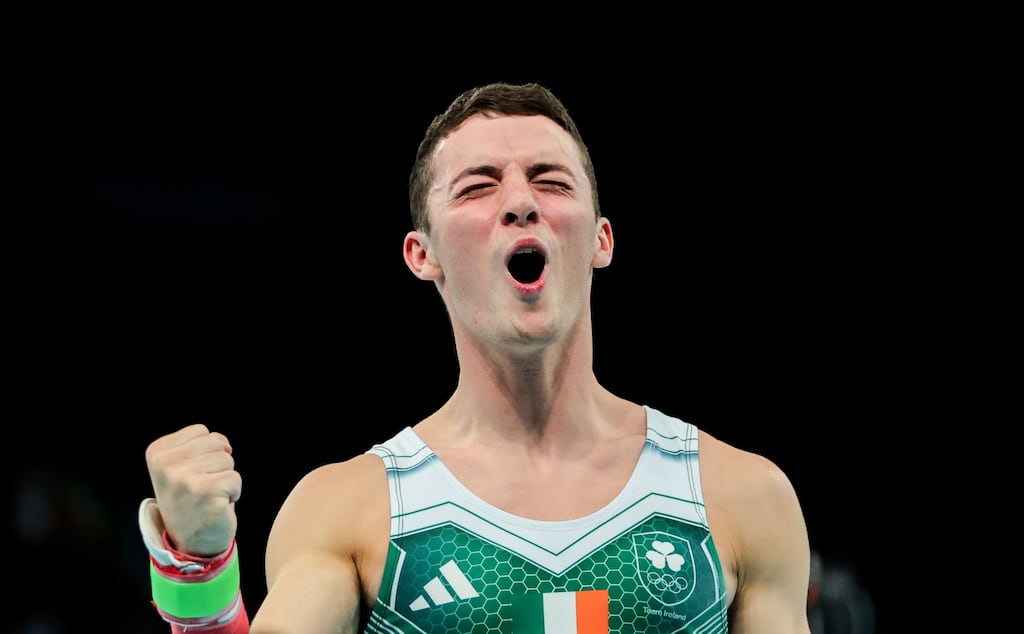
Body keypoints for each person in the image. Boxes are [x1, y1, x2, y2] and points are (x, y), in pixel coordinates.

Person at [140, 81, 812, 633]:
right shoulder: (347, 511)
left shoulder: (740, 497)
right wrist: (197, 572)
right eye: (478, 187)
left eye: (550, 181)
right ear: (422, 254)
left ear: (602, 239)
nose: (521, 203)